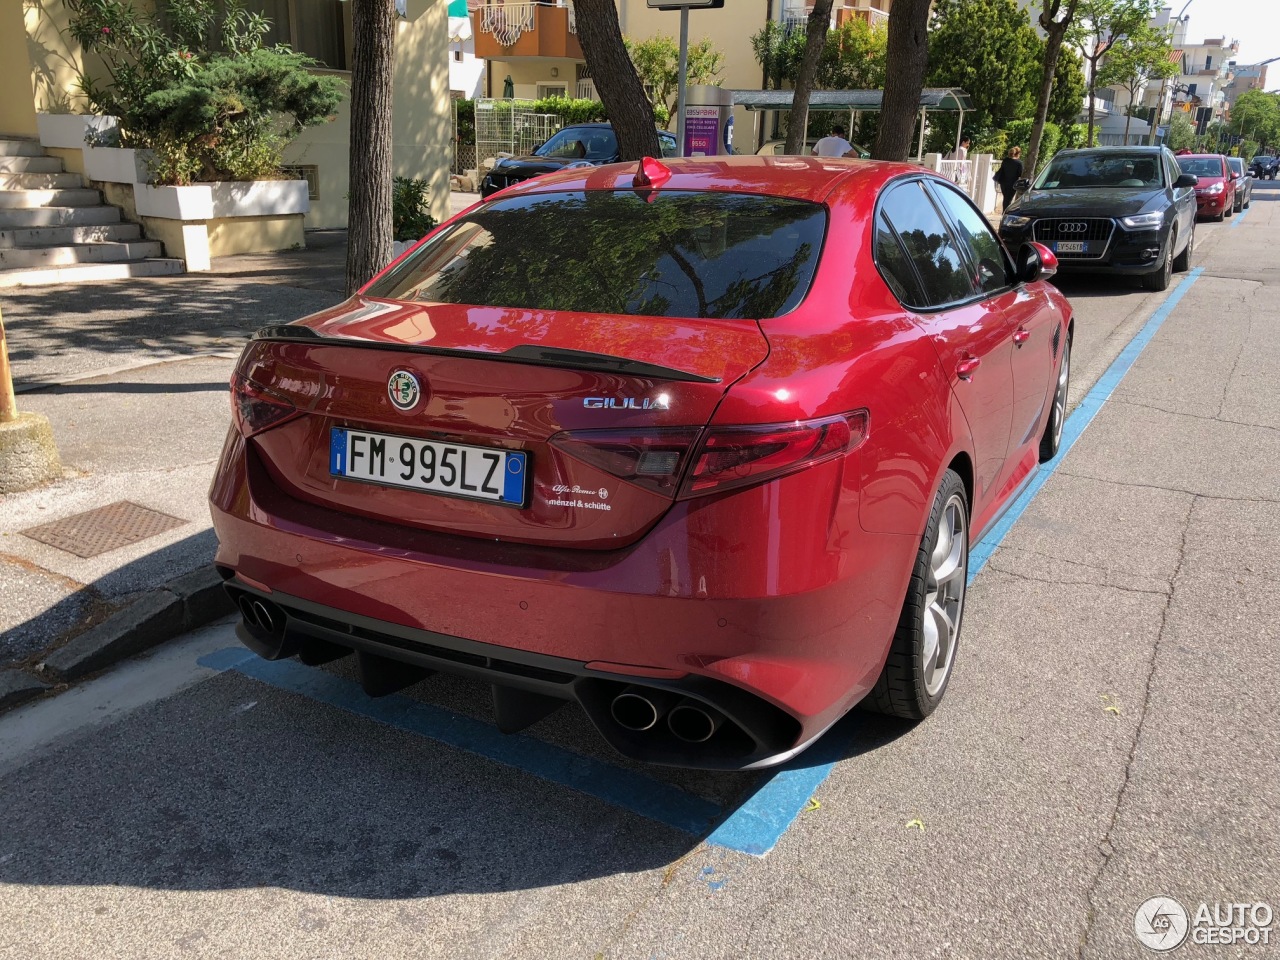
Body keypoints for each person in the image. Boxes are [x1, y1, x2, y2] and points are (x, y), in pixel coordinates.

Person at [993, 145, 1023, 213]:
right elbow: (1020, 174)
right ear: (1017, 154)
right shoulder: (1019, 163)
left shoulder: (1005, 161)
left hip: (1003, 183)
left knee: (1005, 198)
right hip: (1012, 184)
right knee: (1008, 199)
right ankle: (1005, 213)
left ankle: (1004, 212)